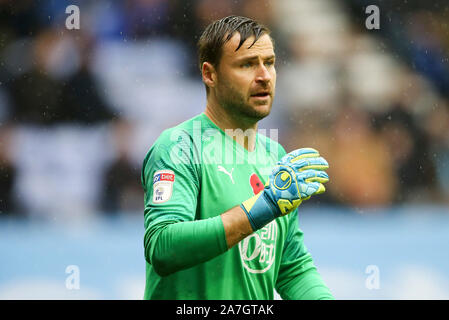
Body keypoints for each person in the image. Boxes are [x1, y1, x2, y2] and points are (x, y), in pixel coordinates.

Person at [141, 15, 333, 300]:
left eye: (269, 63)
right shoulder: (182, 146)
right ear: (210, 74)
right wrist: (263, 207)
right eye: (247, 64)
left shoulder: (274, 156)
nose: (264, 76)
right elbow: (163, 247)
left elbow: (291, 266)